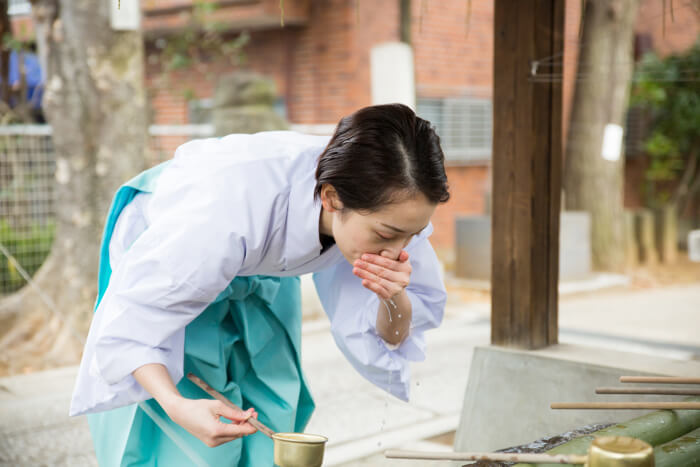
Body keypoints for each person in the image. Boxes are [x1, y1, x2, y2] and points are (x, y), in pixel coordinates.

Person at [70, 103, 450, 466]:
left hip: (261, 268)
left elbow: (393, 335)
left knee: (272, 406)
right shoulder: (222, 211)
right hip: (173, 269)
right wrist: (176, 405)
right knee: (192, 444)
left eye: (412, 235)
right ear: (332, 199)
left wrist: (393, 296)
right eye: (387, 234)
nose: (398, 250)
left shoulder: (392, 210)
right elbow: (133, 325)